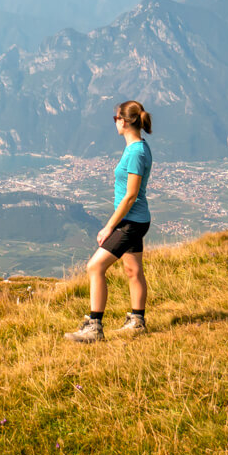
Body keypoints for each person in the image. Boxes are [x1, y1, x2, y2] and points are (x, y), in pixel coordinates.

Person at [65, 100, 152, 343]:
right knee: (132, 270)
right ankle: (137, 321)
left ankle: (94, 327)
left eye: (116, 118)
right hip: (136, 220)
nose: (115, 122)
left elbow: (131, 195)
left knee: (95, 267)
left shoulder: (135, 151)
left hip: (131, 222)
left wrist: (109, 226)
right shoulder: (137, 146)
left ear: (124, 121)